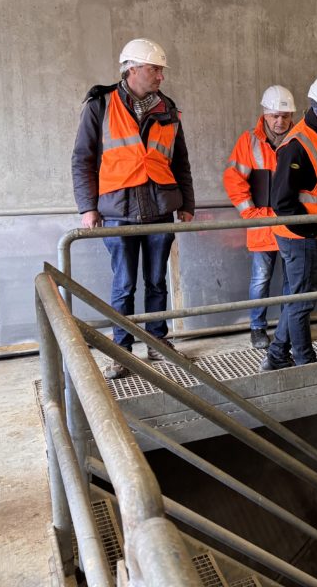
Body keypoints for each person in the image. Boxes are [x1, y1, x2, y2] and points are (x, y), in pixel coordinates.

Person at [71, 38, 195, 380]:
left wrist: (187, 204)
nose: (161, 76)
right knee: (124, 284)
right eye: (155, 69)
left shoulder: (168, 109)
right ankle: (121, 350)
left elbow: (181, 162)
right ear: (132, 69)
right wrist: (88, 207)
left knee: (156, 282)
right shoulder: (100, 104)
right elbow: (82, 159)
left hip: (160, 207)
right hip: (117, 211)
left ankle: (157, 341)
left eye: (161, 70)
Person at [260, 73, 317, 371]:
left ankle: (277, 354)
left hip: (312, 234)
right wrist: (313, 231)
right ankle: (306, 363)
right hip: (301, 237)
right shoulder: (297, 144)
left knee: (296, 298)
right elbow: (282, 202)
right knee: (303, 302)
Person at [223, 85, 296, 349]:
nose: (280, 121)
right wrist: (250, 213)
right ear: (265, 113)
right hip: (262, 223)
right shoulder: (249, 141)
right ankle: (257, 328)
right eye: (275, 116)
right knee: (260, 279)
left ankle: (289, 326)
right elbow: (233, 178)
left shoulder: (300, 139)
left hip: (292, 223)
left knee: (292, 279)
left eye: (285, 116)